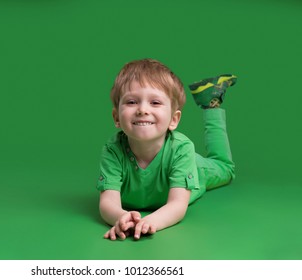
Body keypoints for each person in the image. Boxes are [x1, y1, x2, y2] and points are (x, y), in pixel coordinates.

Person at [96, 58, 237, 240]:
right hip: (171, 168)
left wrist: (150, 221)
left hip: (191, 168)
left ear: (174, 119)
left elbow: (178, 205)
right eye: (131, 102)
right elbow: (107, 202)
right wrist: (121, 217)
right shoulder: (112, 150)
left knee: (225, 169)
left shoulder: (182, 149)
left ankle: (211, 102)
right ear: (116, 117)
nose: (142, 110)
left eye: (155, 103)